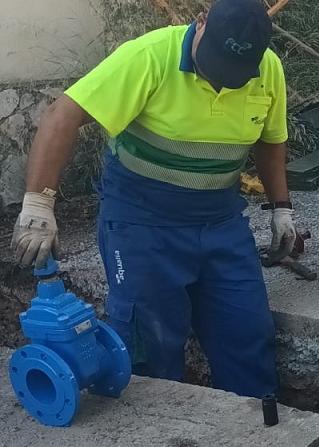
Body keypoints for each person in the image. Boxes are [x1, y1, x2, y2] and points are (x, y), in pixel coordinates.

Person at [9, 0, 295, 398]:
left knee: (247, 334)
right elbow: (63, 115)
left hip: (221, 222)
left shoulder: (267, 70)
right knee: (151, 345)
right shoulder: (148, 56)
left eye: (234, 78)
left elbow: (270, 141)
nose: (221, 84)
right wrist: (39, 204)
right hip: (142, 223)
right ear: (200, 24)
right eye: (216, 68)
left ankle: (258, 435)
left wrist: (282, 209)